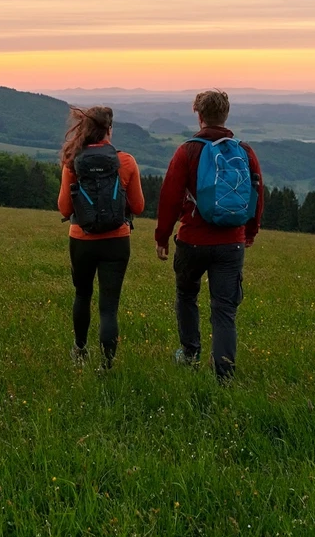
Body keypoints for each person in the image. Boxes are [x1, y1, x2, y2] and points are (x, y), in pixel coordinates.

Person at [154, 89, 264, 382]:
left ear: (199, 116)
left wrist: (162, 237)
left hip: (192, 240)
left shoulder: (187, 151)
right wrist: (250, 231)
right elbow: (256, 194)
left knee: (187, 295)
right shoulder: (245, 151)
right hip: (232, 242)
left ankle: (190, 355)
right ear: (226, 115)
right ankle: (224, 373)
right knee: (224, 309)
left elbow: (169, 197)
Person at [56, 105, 145, 369]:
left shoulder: (73, 161)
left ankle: (80, 349)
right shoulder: (125, 161)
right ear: (109, 130)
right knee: (109, 305)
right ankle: (107, 364)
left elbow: (64, 208)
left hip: (81, 239)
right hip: (117, 240)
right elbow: (138, 207)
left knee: (82, 295)